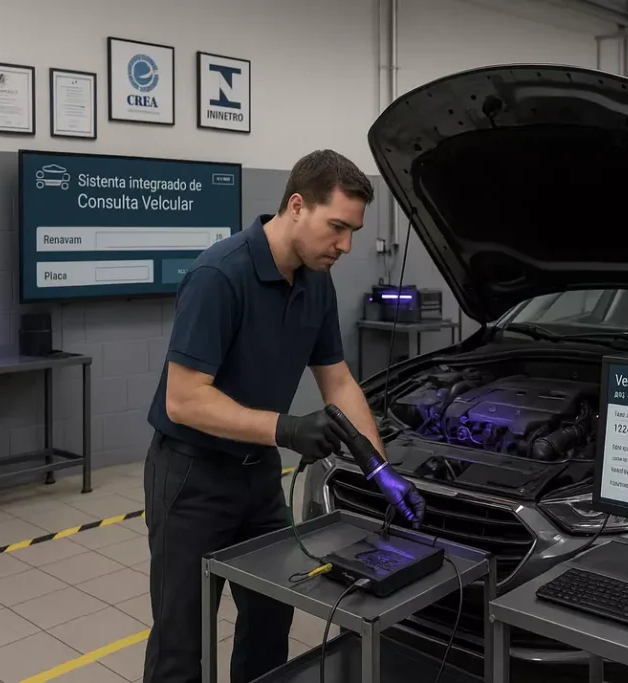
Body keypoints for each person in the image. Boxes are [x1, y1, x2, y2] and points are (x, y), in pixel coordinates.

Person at [142, 149, 426, 683]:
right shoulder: (219, 276)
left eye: (353, 232)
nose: (344, 246)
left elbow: (337, 380)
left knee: (271, 621)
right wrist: (288, 428)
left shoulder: (317, 282)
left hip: (257, 476)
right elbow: (185, 398)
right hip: (189, 478)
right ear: (297, 205)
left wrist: (380, 469)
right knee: (182, 641)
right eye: (336, 227)